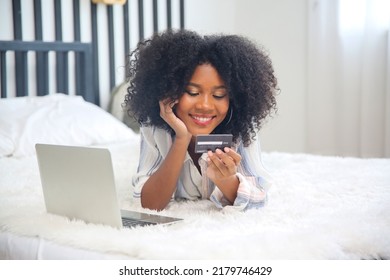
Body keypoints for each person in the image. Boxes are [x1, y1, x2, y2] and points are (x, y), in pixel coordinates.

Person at [124, 29, 278, 211]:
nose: (205, 105)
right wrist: (181, 139)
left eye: (219, 95)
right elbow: (149, 204)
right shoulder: (154, 128)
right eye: (193, 92)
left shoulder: (242, 129)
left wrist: (226, 180)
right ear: (169, 92)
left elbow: (258, 198)